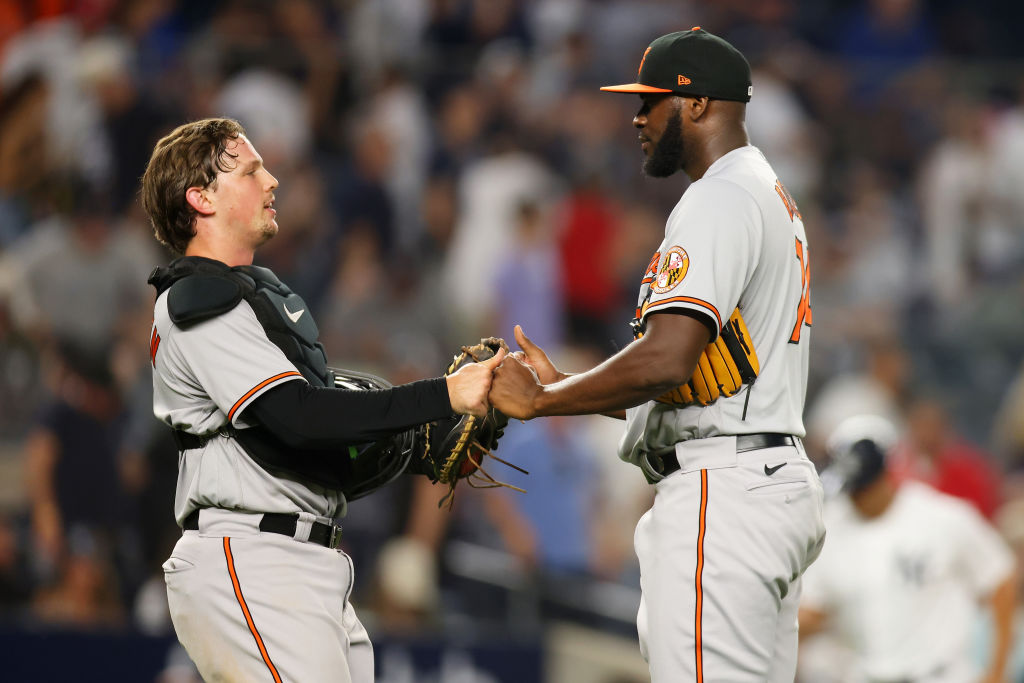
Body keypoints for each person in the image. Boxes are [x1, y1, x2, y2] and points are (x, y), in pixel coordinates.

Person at [489, 27, 826, 682]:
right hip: (759, 480)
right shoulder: (767, 195)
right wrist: (577, 385)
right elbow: (702, 387)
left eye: (652, 102)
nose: (637, 117)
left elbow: (668, 358)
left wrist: (544, 399)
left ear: (696, 105)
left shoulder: (720, 197)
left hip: (720, 499)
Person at [139, 117, 502, 682]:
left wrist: (420, 448)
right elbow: (300, 419)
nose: (272, 180)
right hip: (252, 556)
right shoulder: (197, 301)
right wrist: (443, 396)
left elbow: (310, 446)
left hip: (301, 558)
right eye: (253, 169)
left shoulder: (247, 298)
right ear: (201, 197)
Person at [799, 415, 1018, 683]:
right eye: (853, 488)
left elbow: (1001, 581)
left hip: (941, 675)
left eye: (865, 486)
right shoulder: (832, 527)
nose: (858, 496)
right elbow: (815, 608)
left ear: (889, 472)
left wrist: (996, 672)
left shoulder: (941, 517)